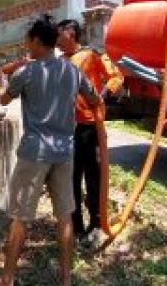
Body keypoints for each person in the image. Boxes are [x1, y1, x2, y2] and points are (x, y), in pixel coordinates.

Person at [0, 14, 102, 286]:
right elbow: (94, 98)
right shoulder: (72, 71)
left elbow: (4, 100)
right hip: (65, 152)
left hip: (35, 153)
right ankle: (66, 278)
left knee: (20, 219)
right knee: (64, 216)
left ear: (38, 41)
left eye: (28, 39)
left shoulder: (26, 72)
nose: (25, 44)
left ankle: (7, 278)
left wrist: (2, 82)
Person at [56, 19, 124, 245]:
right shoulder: (58, 62)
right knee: (71, 178)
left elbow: (116, 76)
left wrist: (101, 98)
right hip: (67, 129)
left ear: (71, 34)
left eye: (59, 34)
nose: (56, 39)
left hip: (89, 126)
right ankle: (76, 226)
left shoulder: (91, 55)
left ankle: (96, 223)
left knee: (93, 176)